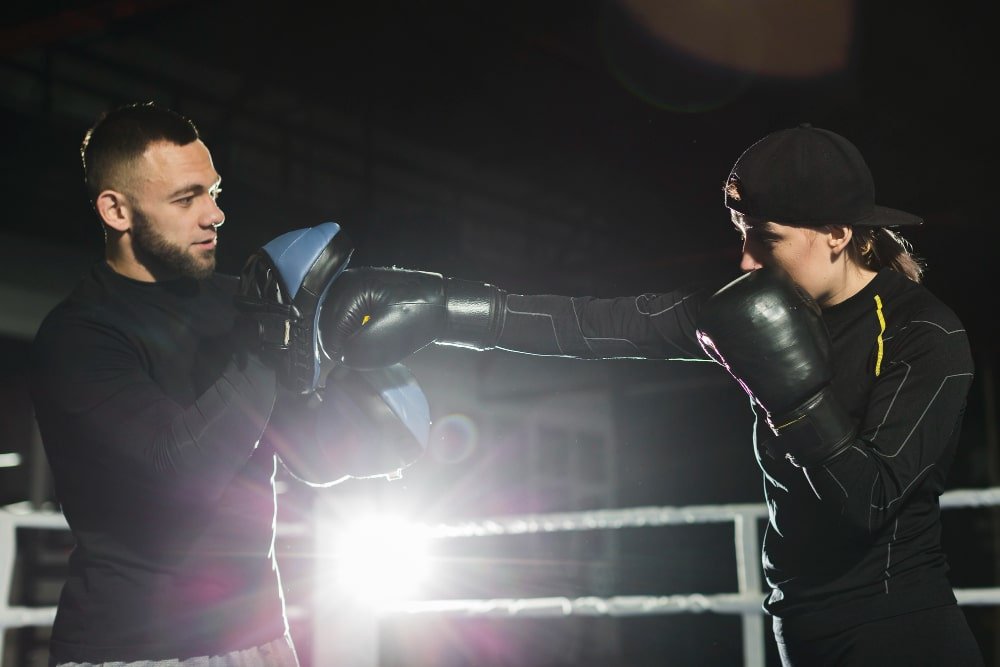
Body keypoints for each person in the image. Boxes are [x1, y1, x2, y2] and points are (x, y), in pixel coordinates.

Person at [317, 123, 984, 666]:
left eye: (768, 237)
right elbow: (597, 325)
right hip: (798, 626)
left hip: (897, 635)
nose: (748, 259)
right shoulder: (758, 307)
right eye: (742, 233)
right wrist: (445, 309)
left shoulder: (926, 336)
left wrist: (796, 399)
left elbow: (868, 499)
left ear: (839, 234)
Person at [28, 101, 428, 666]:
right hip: (135, 649)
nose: (213, 214)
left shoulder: (240, 306)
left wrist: (369, 417)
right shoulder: (79, 337)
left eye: (214, 192)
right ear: (117, 210)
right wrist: (270, 341)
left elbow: (306, 452)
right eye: (186, 198)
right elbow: (176, 470)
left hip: (260, 637)